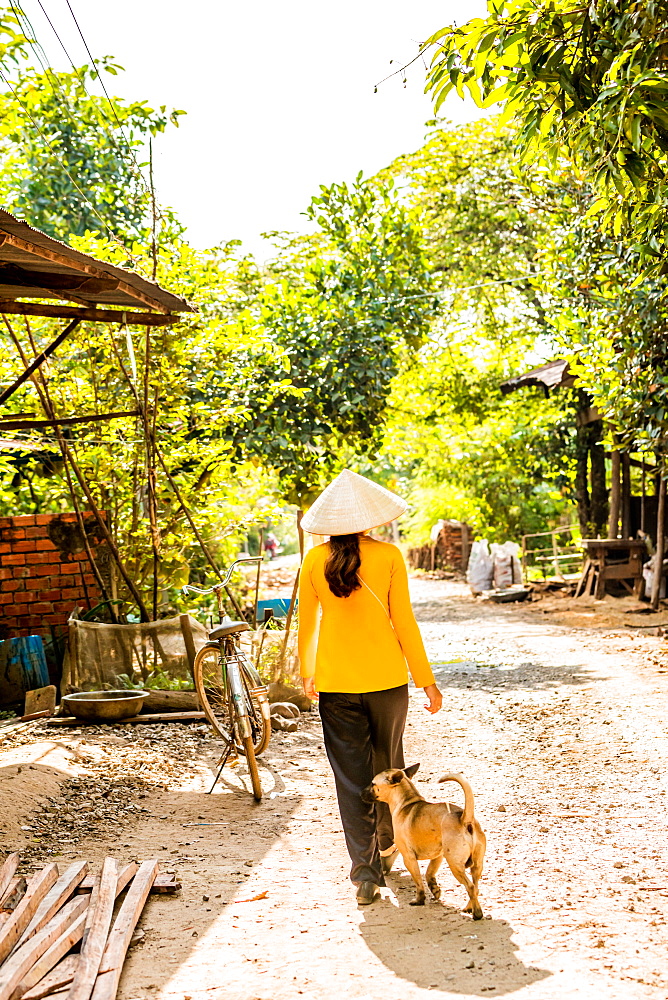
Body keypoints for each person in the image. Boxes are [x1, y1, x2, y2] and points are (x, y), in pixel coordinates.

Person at [298, 469, 442, 905]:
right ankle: (388, 845)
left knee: (350, 779)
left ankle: (365, 873)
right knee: (389, 771)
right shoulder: (390, 556)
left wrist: (307, 672)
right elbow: (405, 624)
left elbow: (308, 625)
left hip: (337, 684)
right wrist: (426, 681)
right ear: (369, 518)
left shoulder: (312, 560)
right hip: (388, 684)